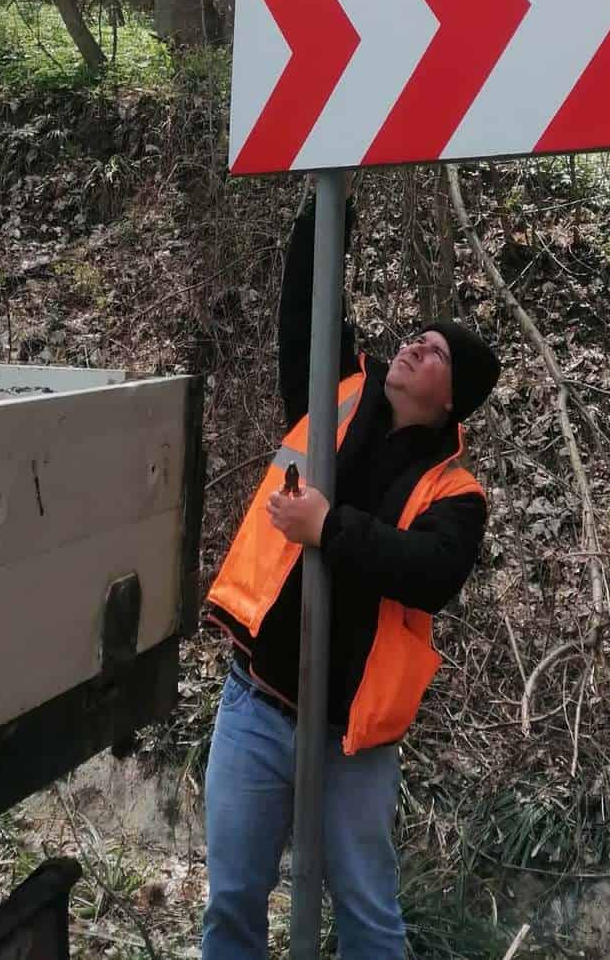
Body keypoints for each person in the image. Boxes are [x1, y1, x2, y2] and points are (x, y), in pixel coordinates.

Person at [200, 191, 500, 960]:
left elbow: (430, 573)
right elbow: (305, 307)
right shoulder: (336, 388)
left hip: (352, 738)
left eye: (433, 351)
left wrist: (327, 528)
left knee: (369, 915)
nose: (413, 348)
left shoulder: (455, 494)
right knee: (233, 901)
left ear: (453, 397)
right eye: (414, 338)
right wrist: (326, 202)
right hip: (257, 703)